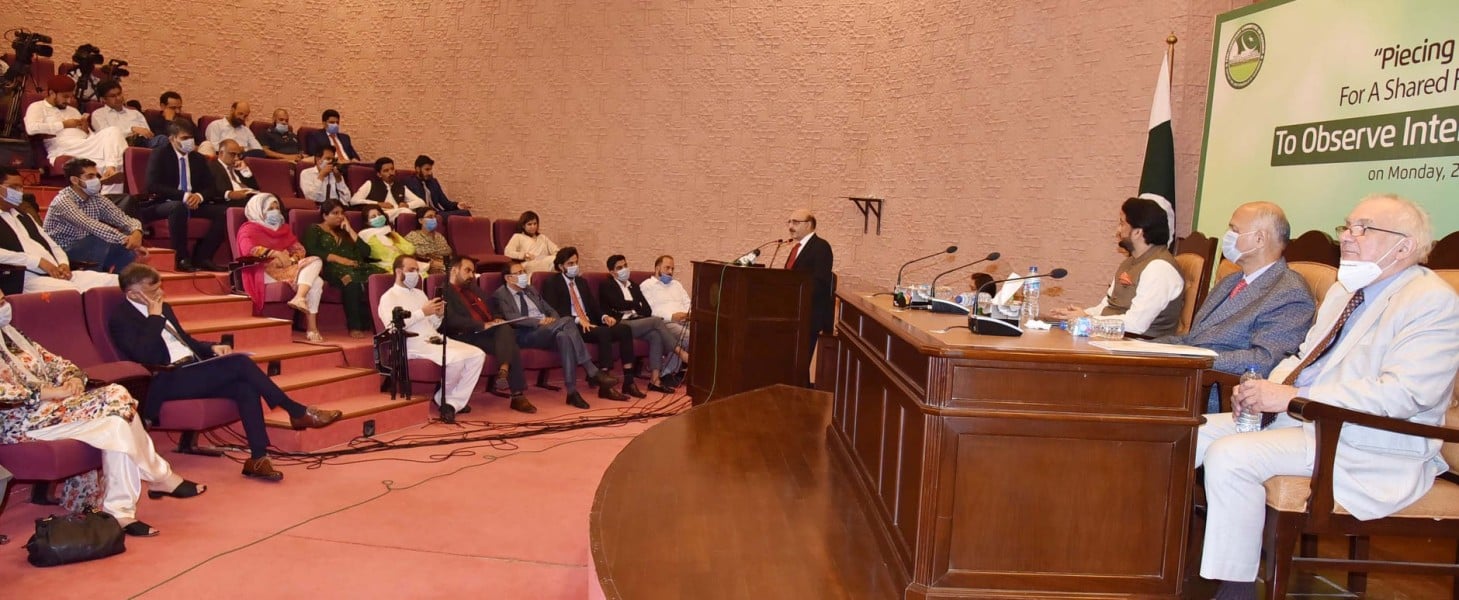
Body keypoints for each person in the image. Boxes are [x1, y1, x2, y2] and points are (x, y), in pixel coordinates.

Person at [1196, 194, 1459, 600]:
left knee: (1231, 455)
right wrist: (1259, 392)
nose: (1348, 238)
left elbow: (1405, 394)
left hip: (1371, 442)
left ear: (1404, 247)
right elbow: (1304, 358)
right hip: (1307, 420)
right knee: (1185, 434)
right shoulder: (1345, 290)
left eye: (1364, 228)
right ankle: (1158, 563)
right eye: (1347, 226)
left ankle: (1235, 592)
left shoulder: (1432, 302)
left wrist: (1292, 396)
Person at [109, 264, 342, 481]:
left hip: (190, 368)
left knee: (245, 388)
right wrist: (154, 316)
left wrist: (210, 347)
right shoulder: (121, 317)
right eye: (153, 289)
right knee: (240, 363)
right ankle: (296, 410)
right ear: (133, 294)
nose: (160, 293)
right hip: (163, 378)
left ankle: (258, 458)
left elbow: (184, 341)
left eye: (160, 286)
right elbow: (144, 355)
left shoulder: (164, 308)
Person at [0, 291, 205, 537]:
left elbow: (56, 362)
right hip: (20, 421)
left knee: (116, 424)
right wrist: (49, 392)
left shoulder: (11, 333)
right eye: (0, 303)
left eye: (4, 301)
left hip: (53, 409)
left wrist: (73, 379)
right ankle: (160, 475)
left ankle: (120, 513)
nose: (6, 307)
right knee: (117, 394)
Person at [1151, 202, 1314, 382]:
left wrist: (1197, 359)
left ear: (1260, 239)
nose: (1227, 237)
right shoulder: (1230, 281)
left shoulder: (1289, 291)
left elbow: (1266, 360)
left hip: (1216, 389)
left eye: (1234, 230)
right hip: (1186, 376)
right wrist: (1145, 349)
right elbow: (1193, 340)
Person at [492, 261, 622, 409]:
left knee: (564, 337)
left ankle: (572, 392)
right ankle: (591, 369)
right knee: (567, 321)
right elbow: (511, 318)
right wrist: (539, 321)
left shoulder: (530, 289)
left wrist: (554, 320)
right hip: (524, 333)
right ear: (508, 278)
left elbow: (550, 309)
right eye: (519, 273)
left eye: (523, 271)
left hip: (547, 329)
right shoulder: (500, 295)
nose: (523, 275)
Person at [1049, 197, 1184, 338]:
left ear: (1138, 232)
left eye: (1122, 224)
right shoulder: (1129, 262)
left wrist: (1087, 320)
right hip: (1118, 341)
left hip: (1143, 349)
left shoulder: (1159, 269)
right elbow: (1106, 307)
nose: (1117, 230)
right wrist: (1080, 314)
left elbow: (1136, 325)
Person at [377, 256, 485, 424]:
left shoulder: (419, 293)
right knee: (456, 359)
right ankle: (447, 401)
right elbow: (393, 327)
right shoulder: (388, 297)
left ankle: (451, 402)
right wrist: (422, 312)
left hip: (433, 338)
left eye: (417, 271)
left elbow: (431, 324)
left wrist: (438, 314)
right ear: (399, 272)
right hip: (412, 343)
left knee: (477, 354)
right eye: (411, 270)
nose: (416, 274)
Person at [0, 165, 117, 294]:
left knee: (115, 282)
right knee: (73, 292)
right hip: (26, 279)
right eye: (13, 187)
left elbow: (52, 245)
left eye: (21, 187)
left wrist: (63, 263)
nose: (19, 192)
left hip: (57, 274)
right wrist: (36, 261)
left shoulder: (24, 216)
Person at [541, 247, 640, 400]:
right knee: (603, 332)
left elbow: (593, 306)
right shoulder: (551, 283)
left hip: (589, 323)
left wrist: (604, 317)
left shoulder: (581, 282)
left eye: (576, 262)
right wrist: (578, 320)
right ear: (561, 266)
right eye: (570, 263)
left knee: (624, 329)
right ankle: (604, 384)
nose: (574, 266)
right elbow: (553, 311)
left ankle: (629, 380)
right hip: (571, 325)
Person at [439, 255, 533, 413]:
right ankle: (516, 393)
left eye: (472, 271)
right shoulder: (444, 291)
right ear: (454, 271)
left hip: (487, 333)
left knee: (505, 330)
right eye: (467, 271)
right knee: (509, 339)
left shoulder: (474, 289)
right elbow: (451, 320)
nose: (471, 275)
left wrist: (496, 319)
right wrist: (482, 325)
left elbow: (493, 308)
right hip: (465, 336)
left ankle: (505, 372)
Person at [141, 118, 230, 273]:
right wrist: (183, 196)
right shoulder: (160, 154)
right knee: (178, 207)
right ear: (172, 139)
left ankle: (202, 256)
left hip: (193, 203)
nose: (189, 141)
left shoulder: (198, 159)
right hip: (163, 203)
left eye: (191, 138)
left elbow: (211, 187)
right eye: (184, 138)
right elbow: (152, 185)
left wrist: (199, 197)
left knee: (224, 212)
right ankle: (182, 257)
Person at [237, 195, 325, 342]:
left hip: (285, 268)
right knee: (316, 263)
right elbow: (248, 249)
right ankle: (305, 312)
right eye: (270, 208)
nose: (275, 211)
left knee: (317, 280)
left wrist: (290, 259)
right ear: (259, 210)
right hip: (262, 270)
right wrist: (274, 254)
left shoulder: (283, 228)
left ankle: (309, 321)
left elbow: (299, 249)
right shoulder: (248, 229)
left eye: (277, 208)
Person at [23, 75, 127, 195]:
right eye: (65, 97)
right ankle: (111, 175)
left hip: (84, 144)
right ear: (51, 93)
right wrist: (63, 125)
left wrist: (86, 130)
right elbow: (31, 129)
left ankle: (110, 172)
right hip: (62, 146)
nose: (69, 101)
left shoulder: (73, 110)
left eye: (71, 96)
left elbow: (90, 136)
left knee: (114, 131)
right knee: (112, 159)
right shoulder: (37, 107)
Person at [36, 161, 144, 276]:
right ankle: (93, 284)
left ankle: (120, 285)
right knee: (98, 239)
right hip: (60, 251)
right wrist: (126, 240)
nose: (96, 180)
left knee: (127, 251)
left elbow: (122, 218)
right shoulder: (63, 201)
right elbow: (92, 226)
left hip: (88, 246)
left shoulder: (96, 198)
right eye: (90, 176)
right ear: (74, 180)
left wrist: (137, 232)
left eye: (96, 176)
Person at [598, 254, 686, 391]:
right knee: (657, 321)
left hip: (638, 322)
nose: (624, 269)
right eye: (619, 267)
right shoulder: (606, 285)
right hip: (621, 324)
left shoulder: (633, 285)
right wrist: (635, 305)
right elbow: (617, 304)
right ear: (612, 272)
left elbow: (646, 309)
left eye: (625, 266)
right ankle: (681, 353)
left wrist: (632, 306)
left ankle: (655, 380)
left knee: (655, 335)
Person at [303, 199, 380, 338]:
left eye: (342, 213)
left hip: (355, 266)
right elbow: (311, 250)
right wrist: (340, 259)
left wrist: (350, 230)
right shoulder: (314, 229)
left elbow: (366, 252)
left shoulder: (344, 232)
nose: (340, 216)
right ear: (325, 215)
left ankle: (380, 323)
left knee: (380, 278)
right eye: (335, 213)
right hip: (329, 268)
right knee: (351, 280)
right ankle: (354, 326)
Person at [784, 208, 835, 364]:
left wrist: (794, 294)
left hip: (807, 316)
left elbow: (820, 283)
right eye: (790, 222)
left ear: (809, 225)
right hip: (791, 314)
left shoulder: (821, 247)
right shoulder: (795, 248)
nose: (791, 226)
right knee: (790, 362)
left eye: (796, 222)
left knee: (799, 363)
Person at [638, 255, 691, 359]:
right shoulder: (647, 286)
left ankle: (674, 370)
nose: (670, 271)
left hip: (685, 320)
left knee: (706, 333)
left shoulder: (677, 284)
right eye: (667, 268)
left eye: (672, 269)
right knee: (689, 337)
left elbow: (687, 302)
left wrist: (689, 314)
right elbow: (649, 310)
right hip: (665, 322)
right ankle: (668, 371)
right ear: (657, 268)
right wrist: (671, 316)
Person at [350, 157, 425, 218]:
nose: (391, 173)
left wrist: (408, 205)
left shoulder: (400, 186)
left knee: (413, 214)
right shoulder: (370, 184)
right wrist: (378, 204)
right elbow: (354, 201)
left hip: (399, 212)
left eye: (392, 169)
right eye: (386, 171)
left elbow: (421, 202)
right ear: (379, 174)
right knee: (406, 213)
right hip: (380, 214)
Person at [88, 80, 153, 147]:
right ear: (103, 99)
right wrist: (131, 130)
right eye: (113, 96)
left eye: (119, 94)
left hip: (143, 144)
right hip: (117, 146)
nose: (118, 98)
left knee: (161, 140)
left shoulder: (135, 113)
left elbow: (148, 133)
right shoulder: (99, 114)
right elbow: (107, 136)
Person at [209, 139, 272, 208]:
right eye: (233, 154)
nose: (236, 158)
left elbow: (256, 187)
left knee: (272, 198)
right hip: (231, 201)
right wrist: (229, 194)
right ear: (221, 153)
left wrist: (245, 170)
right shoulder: (212, 167)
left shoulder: (238, 167)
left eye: (238, 155)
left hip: (250, 196)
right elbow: (210, 189)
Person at [404, 155, 470, 217]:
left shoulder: (433, 182)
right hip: (426, 215)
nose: (430, 173)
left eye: (431, 169)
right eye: (427, 170)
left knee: (464, 212)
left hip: (438, 213)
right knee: (464, 214)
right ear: (418, 169)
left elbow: (445, 203)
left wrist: (457, 205)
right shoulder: (410, 183)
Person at [405, 208, 452, 274]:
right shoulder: (412, 236)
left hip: (445, 268)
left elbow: (448, 253)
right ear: (421, 220)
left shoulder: (439, 236)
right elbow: (406, 258)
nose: (434, 219)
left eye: (435, 216)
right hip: (425, 270)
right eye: (430, 217)